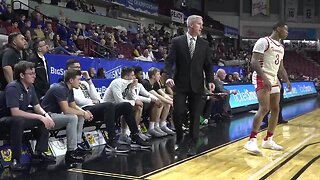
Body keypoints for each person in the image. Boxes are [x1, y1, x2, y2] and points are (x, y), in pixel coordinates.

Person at [163, 15, 215, 156]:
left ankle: (193, 142)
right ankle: (179, 138)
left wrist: (210, 80)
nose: (201, 27)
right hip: (180, 84)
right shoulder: (177, 41)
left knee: (195, 114)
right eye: (199, 24)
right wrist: (167, 77)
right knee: (178, 112)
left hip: (197, 85)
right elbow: (169, 62)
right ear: (191, 25)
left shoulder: (204, 44)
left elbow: (208, 65)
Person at [244, 22, 292, 155]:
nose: (287, 32)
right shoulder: (263, 41)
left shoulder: (281, 47)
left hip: (274, 77)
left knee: (276, 109)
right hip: (261, 76)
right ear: (278, 29)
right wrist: (264, 78)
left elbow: (280, 67)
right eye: (285, 29)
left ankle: (268, 139)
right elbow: (253, 62)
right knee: (264, 108)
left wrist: (287, 80)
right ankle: (251, 140)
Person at [0, 61, 55, 171]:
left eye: (34, 73)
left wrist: (45, 116)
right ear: (21, 75)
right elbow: (15, 112)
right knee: (18, 120)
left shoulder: (31, 87)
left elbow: (37, 106)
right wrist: (39, 117)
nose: (34, 76)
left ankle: (39, 152)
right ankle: (15, 159)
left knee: (44, 120)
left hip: (20, 118)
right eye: (31, 74)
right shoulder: (13, 87)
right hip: (5, 120)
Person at [41, 69, 93, 162]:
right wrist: (83, 113)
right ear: (71, 80)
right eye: (78, 79)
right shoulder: (59, 89)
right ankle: (70, 152)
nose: (80, 82)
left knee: (79, 116)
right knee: (72, 118)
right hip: (47, 116)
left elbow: (73, 105)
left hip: (56, 115)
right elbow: (66, 110)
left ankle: (77, 145)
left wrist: (85, 113)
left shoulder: (69, 89)